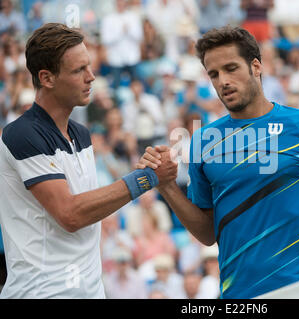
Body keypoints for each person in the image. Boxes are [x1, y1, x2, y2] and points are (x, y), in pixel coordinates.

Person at [137, 26, 299, 299]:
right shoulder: (203, 141)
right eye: (214, 74)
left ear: (256, 66)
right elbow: (207, 232)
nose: (223, 81)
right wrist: (167, 186)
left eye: (231, 68)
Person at [0, 23, 176, 298]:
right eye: (78, 70)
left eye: (89, 66)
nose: (91, 77)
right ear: (46, 78)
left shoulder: (81, 134)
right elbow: (70, 214)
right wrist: (146, 178)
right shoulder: (21, 134)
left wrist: (145, 168)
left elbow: (91, 204)